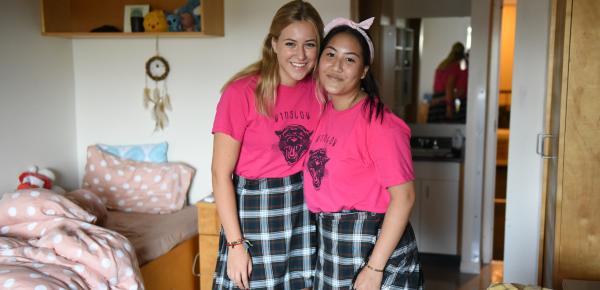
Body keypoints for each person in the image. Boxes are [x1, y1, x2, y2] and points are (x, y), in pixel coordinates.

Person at [303, 17, 424, 290]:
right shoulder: (325, 112)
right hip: (331, 244)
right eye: (330, 54)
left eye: (349, 59)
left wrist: (374, 268)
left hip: (371, 245)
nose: (336, 66)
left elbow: (404, 198)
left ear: (363, 71)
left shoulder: (381, 124)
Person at [210, 1, 324, 289]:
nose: (300, 55)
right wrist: (236, 245)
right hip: (254, 215)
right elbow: (220, 174)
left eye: (310, 45)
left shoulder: (322, 91)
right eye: (290, 43)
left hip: (304, 211)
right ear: (273, 44)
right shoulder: (241, 93)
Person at [428, 41, 468, 123]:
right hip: (444, 104)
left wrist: (437, 99)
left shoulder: (442, 65)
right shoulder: (454, 67)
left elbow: (436, 86)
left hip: (437, 99)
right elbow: (449, 88)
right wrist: (449, 108)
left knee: (434, 132)